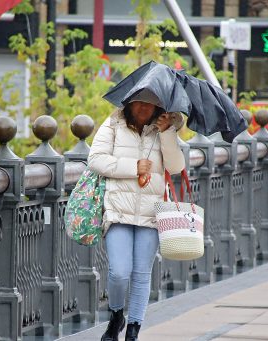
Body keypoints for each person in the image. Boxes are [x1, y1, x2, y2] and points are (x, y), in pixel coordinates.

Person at [88, 89, 186, 341]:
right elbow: (95, 160)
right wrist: (133, 167)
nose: (144, 107)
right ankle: (116, 315)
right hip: (118, 211)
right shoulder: (113, 123)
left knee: (142, 274)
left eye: (151, 104)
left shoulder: (164, 129)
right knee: (119, 272)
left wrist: (167, 133)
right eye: (139, 102)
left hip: (151, 213)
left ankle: (133, 331)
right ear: (129, 103)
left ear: (159, 108)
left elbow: (176, 167)